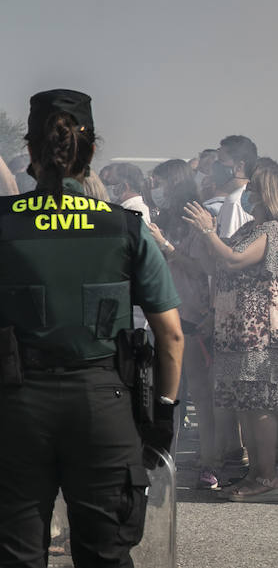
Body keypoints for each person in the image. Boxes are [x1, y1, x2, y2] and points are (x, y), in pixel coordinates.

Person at [0, 90, 184, 566]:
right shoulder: (126, 228)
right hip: (104, 405)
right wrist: (162, 412)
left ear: (30, 153)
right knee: (106, 552)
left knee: (17, 552)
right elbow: (171, 336)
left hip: (17, 407)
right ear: (91, 151)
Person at [183, 164, 278, 501]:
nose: (247, 194)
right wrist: (204, 237)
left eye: (253, 189)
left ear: (266, 191)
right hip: (233, 327)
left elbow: (236, 261)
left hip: (257, 331)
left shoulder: (272, 228)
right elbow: (218, 264)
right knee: (244, 403)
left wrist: (210, 233)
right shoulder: (251, 226)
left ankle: (266, 476)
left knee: (259, 403)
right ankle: (254, 474)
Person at [148, 159, 224, 489]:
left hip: (194, 316)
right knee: (170, 399)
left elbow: (203, 268)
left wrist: (165, 246)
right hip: (170, 313)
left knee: (201, 397)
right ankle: (168, 463)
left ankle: (211, 463)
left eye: (161, 182)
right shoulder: (166, 218)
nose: (157, 189)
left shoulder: (196, 217)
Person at [213, 135, 260, 239]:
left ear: (239, 166)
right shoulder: (253, 194)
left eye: (221, 161)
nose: (216, 166)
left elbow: (227, 248)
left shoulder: (234, 202)